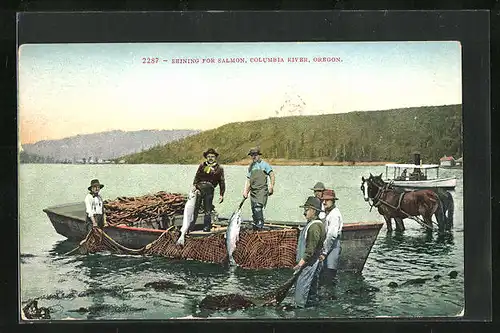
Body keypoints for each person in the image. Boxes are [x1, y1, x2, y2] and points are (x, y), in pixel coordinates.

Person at [293, 196, 326, 308]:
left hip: (308, 264)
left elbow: (310, 249)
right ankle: (312, 309)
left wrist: (300, 264)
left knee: (301, 289)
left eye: (306, 210)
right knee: (311, 289)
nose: (304, 212)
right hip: (313, 263)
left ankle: (300, 311)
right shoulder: (316, 224)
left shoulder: (315, 227)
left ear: (314, 211)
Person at [192, 148, 226, 232]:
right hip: (199, 189)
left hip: (209, 190)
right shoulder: (202, 166)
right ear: (206, 157)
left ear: (215, 158)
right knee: (195, 208)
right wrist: (194, 186)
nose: (210, 158)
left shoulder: (219, 168)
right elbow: (197, 177)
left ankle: (206, 226)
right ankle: (191, 225)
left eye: (212, 156)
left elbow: (222, 182)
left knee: (208, 209)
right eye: (209, 156)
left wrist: (222, 194)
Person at [242, 147, 275, 230]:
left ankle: (260, 225)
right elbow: (249, 180)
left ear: (259, 155)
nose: (254, 157)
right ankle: (256, 226)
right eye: (252, 155)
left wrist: (271, 186)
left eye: (255, 155)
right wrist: (245, 191)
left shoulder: (265, 165)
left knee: (258, 207)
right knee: (254, 209)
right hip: (253, 192)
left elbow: (272, 175)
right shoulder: (251, 167)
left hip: (262, 190)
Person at [318, 189, 343, 284]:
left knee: (329, 272)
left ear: (333, 201)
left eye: (327, 200)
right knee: (325, 273)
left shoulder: (334, 215)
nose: (324, 202)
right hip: (327, 246)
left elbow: (331, 235)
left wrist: (324, 252)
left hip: (333, 245)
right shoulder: (327, 212)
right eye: (323, 200)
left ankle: (329, 295)